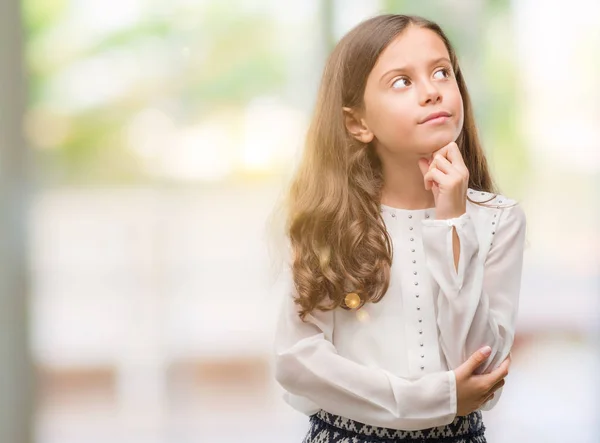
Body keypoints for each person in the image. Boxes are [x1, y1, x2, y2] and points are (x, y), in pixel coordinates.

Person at [272, 13, 527, 443]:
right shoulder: (328, 220)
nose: (431, 92)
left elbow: (480, 370)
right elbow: (298, 362)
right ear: (357, 122)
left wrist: (452, 220)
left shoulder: (499, 219)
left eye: (442, 72)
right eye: (402, 82)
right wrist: (426, 401)